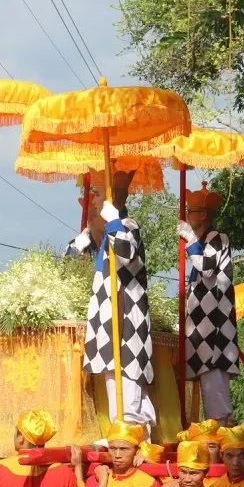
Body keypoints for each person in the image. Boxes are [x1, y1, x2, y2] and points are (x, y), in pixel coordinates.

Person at [71, 172, 155, 427]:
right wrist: (78, 246)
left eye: (96, 195)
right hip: (107, 308)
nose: (92, 202)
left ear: (111, 197)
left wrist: (114, 222)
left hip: (126, 309)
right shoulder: (109, 230)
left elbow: (127, 253)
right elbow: (73, 267)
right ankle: (121, 424)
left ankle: (129, 425)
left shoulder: (128, 225)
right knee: (110, 366)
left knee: (127, 366)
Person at [178, 188, 239, 423]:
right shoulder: (205, 240)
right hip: (201, 324)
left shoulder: (217, 238)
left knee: (213, 378)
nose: (186, 216)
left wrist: (190, 240)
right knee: (207, 377)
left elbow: (206, 267)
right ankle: (216, 425)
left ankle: (221, 426)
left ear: (202, 215)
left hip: (214, 324)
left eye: (190, 212)